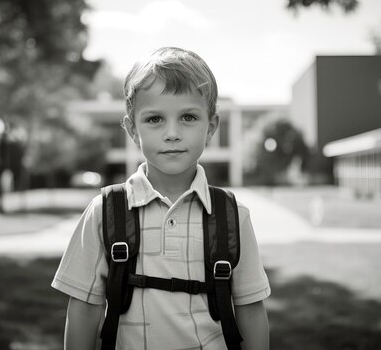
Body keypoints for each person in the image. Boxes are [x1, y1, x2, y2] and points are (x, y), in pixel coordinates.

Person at [52, 47, 270, 349]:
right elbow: (85, 310)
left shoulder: (232, 215)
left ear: (212, 127)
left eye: (188, 117)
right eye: (154, 119)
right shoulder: (105, 211)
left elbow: (250, 309)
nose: (172, 133)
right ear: (131, 129)